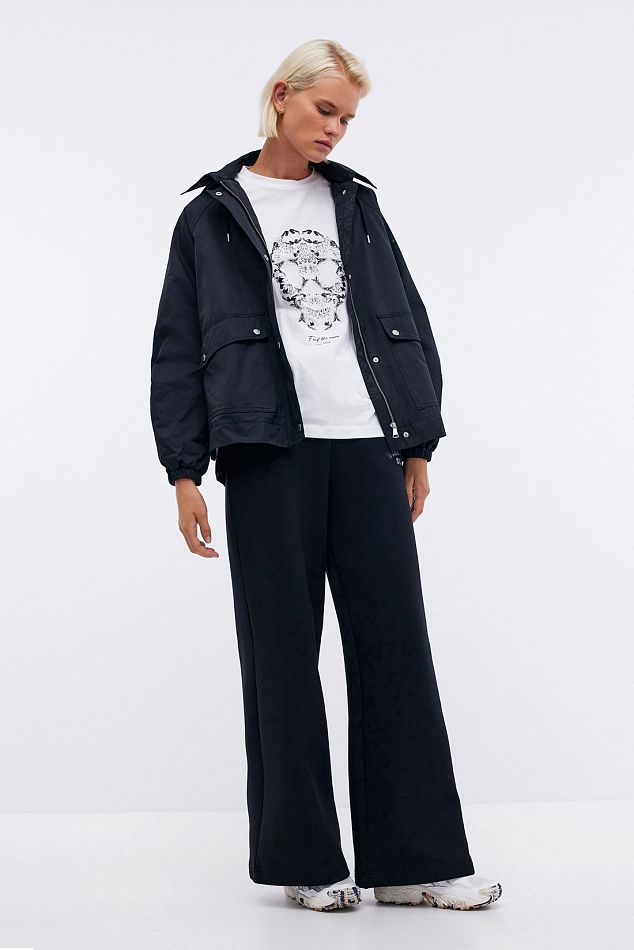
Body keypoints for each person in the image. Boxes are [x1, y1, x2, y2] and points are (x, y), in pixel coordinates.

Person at [150, 38, 502, 913]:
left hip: (365, 443)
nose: (337, 129)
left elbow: (403, 318)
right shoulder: (210, 217)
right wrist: (184, 471)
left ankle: (414, 862)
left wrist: (416, 442)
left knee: (395, 648)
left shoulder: (356, 204)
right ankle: (304, 860)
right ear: (282, 97)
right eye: (325, 110)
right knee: (282, 656)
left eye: (347, 118)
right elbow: (176, 351)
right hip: (267, 450)